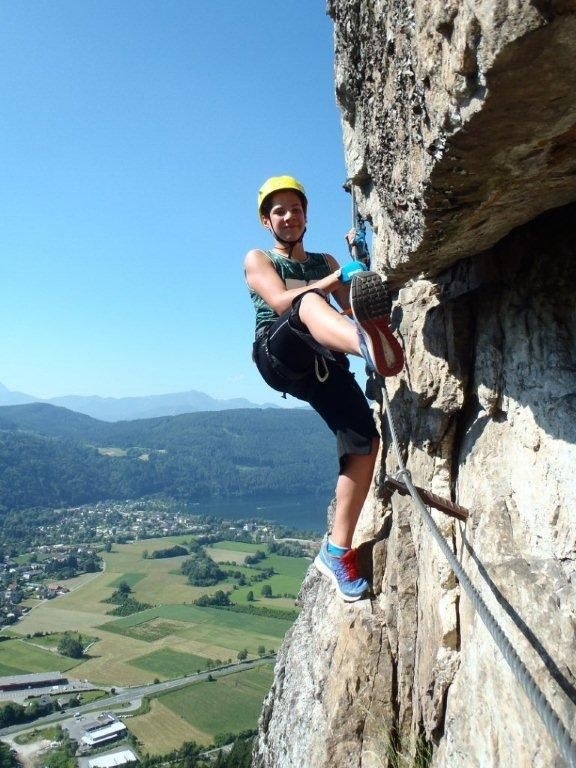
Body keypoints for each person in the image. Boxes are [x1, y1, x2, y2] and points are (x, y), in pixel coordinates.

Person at [244, 176, 403, 601]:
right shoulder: (259, 259)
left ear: (306, 216)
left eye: (296, 209)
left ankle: (336, 552)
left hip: (322, 361)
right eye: (279, 211)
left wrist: (360, 268)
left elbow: (351, 308)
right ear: (267, 220)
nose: (289, 216)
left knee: (364, 441)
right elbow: (280, 302)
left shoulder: (326, 259)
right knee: (306, 303)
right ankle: (368, 347)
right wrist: (334, 280)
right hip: (278, 352)